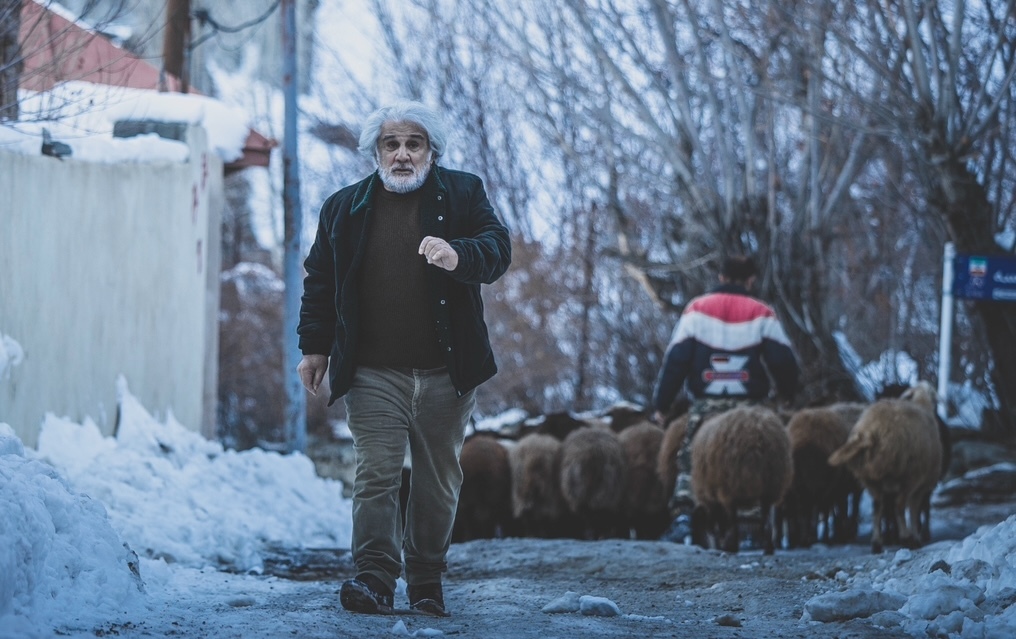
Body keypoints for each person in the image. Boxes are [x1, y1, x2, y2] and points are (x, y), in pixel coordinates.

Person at [296, 100, 511, 617]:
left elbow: (498, 248)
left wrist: (459, 256)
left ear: (431, 151)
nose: (402, 154)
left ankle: (426, 582)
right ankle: (373, 578)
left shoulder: (463, 192)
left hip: (447, 371)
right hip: (372, 371)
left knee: (438, 478)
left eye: (413, 143)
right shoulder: (343, 207)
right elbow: (320, 281)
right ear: (375, 152)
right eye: (391, 144)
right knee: (377, 473)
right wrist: (314, 347)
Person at [651, 255, 799, 543]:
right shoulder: (762, 312)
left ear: (720, 278)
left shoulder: (696, 310)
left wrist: (662, 404)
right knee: (759, 455)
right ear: (751, 280)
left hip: (707, 404)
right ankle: (755, 521)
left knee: (690, 455)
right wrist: (788, 393)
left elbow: (676, 360)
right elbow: (783, 360)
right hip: (750, 407)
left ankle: (685, 514)